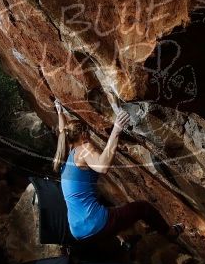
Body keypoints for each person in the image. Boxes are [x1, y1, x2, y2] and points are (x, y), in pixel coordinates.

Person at [52, 99, 181, 243]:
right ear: (83, 135)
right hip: (94, 223)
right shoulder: (84, 149)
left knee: (112, 211)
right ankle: (170, 233)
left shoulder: (67, 154)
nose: (90, 138)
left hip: (77, 231)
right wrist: (116, 130)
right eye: (88, 134)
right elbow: (102, 166)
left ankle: (125, 240)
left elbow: (62, 132)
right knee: (143, 208)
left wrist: (60, 113)